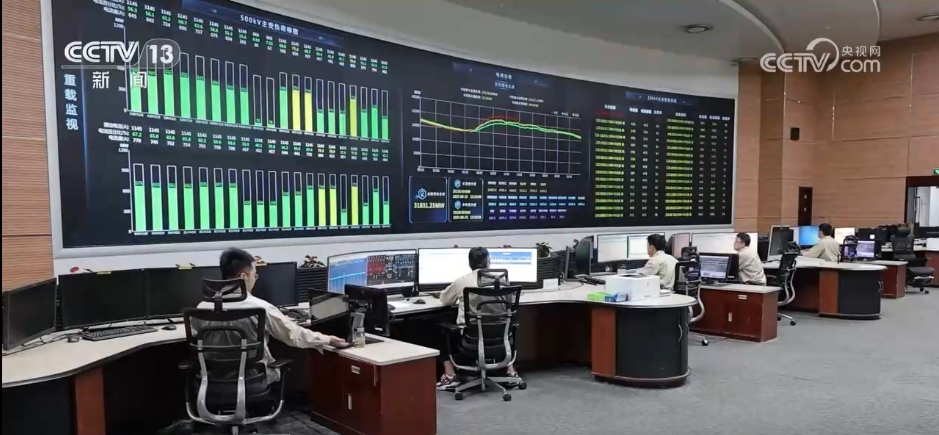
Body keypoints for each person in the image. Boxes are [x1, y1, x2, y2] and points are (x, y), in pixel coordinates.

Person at [195, 248, 347, 384]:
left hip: (212, 379)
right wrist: (327, 339)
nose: (255, 279)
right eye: (254, 275)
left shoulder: (201, 308)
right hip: (253, 378)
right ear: (243, 276)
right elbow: (294, 335)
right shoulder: (261, 307)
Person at [436, 247, 519, 390]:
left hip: (471, 340)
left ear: (469, 263)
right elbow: (509, 304)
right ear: (488, 262)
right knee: (507, 325)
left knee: (440, 329)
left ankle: (450, 376)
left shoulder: (462, 282)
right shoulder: (502, 281)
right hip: (500, 340)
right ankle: (510, 372)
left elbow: (445, 300)